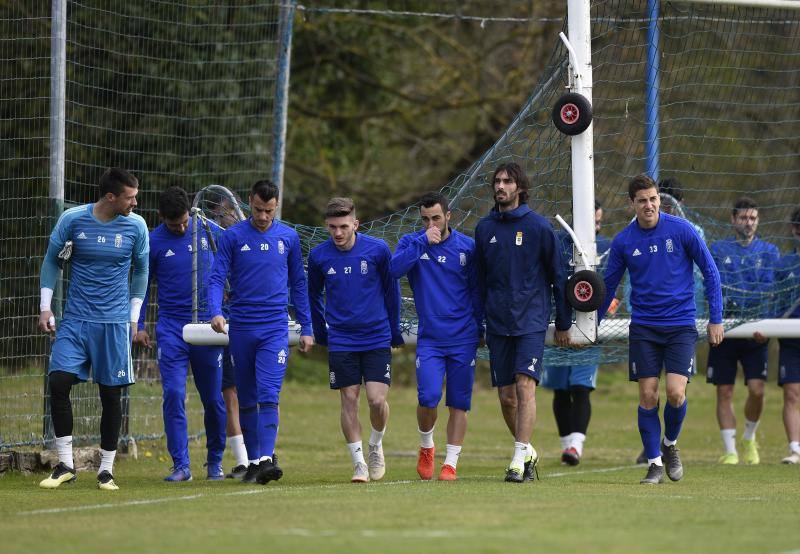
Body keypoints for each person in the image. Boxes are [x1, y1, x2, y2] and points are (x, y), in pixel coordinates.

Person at [598, 174, 724, 485]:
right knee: (648, 396)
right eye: (642, 200)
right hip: (644, 329)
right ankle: (654, 463)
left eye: (653, 199)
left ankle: (669, 445)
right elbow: (609, 286)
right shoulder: (624, 241)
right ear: (633, 204)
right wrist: (592, 324)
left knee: (676, 394)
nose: (649, 205)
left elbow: (710, 270)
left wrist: (716, 318)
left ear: (659, 200)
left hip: (680, 325)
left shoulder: (682, 230)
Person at [38, 168, 149, 491]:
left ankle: (106, 470)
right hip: (75, 321)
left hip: (113, 324)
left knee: (110, 394)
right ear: (110, 197)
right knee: (58, 382)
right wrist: (45, 307)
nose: (135, 202)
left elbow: (141, 271)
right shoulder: (73, 219)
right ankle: (65, 465)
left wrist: (132, 319)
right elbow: (51, 261)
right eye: (130, 197)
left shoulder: (136, 226)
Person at [208, 180, 313, 485]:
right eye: (257, 209)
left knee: (269, 392)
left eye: (268, 210)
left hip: (274, 330)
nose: (263, 216)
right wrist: (215, 311)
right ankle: (255, 462)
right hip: (241, 328)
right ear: (249, 204)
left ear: (276, 205)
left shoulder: (288, 238)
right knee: (248, 397)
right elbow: (216, 277)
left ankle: (266, 457)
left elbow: (299, 284)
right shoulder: (233, 237)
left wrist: (306, 326)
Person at [474, 162, 572, 483]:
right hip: (497, 323)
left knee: (525, 386)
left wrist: (563, 321)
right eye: (497, 181)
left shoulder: (539, 228)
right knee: (506, 398)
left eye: (507, 181)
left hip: (531, 320)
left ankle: (517, 460)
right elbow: (479, 282)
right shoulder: (484, 228)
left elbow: (559, 277)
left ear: (520, 188)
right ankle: (527, 449)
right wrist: (479, 323)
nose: (500, 186)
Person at [133, 186, 227, 481]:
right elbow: (142, 285)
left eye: (185, 221)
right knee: (173, 394)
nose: (181, 227)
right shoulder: (153, 241)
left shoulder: (209, 232)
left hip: (207, 327)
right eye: (175, 224)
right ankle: (181, 466)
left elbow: (230, 266)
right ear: (162, 217)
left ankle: (215, 462)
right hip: (172, 328)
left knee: (213, 398)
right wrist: (139, 325)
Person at [308, 197, 404, 483]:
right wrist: (319, 329)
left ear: (355, 224)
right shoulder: (319, 256)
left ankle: (375, 444)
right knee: (349, 399)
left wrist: (394, 328)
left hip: (376, 336)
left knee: (376, 401)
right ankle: (359, 462)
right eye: (332, 227)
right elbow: (312, 294)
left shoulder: (377, 250)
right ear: (327, 226)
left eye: (343, 226)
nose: (338, 233)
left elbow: (392, 291)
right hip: (341, 339)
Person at [390, 192, 482, 481]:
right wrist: (421, 243)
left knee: (458, 402)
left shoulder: (468, 247)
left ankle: (451, 463)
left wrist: (480, 327)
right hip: (430, 337)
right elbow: (393, 271)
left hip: (463, 337)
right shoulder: (411, 243)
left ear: (449, 216)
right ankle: (427, 446)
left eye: (436, 218)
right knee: (428, 397)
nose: (431, 223)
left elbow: (479, 291)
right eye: (426, 219)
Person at [707, 198, 779, 465]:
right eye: (743, 218)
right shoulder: (718, 249)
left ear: (758, 221)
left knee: (757, 390)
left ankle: (749, 437)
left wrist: (768, 326)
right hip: (724, 331)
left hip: (756, 333)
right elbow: (711, 288)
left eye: (753, 219)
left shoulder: (770, 252)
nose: (748, 223)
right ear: (733, 220)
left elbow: (774, 294)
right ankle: (730, 450)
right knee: (724, 391)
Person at [540, 200, 610, 466]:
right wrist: (560, 321)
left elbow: (613, 284)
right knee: (560, 389)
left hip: (591, 330)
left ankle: (576, 447)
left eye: (599, 221)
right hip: (558, 328)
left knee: (581, 388)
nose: (596, 225)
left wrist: (597, 320)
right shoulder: (558, 243)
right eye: (591, 219)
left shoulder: (608, 247)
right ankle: (566, 445)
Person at [207, 191, 250, 478]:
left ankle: (261, 454)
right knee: (228, 394)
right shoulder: (211, 244)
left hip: (249, 326)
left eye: (226, 215)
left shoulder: (250, 243)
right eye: (219, 216)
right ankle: (243, 459)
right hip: (222, 325)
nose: (221, 221)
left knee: (256, 394)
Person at [773, 206, 800, 464]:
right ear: (794, 230)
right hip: (791, 340)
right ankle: (795, 449)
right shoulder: (783, 265)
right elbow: (774, 302)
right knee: (792, 393)